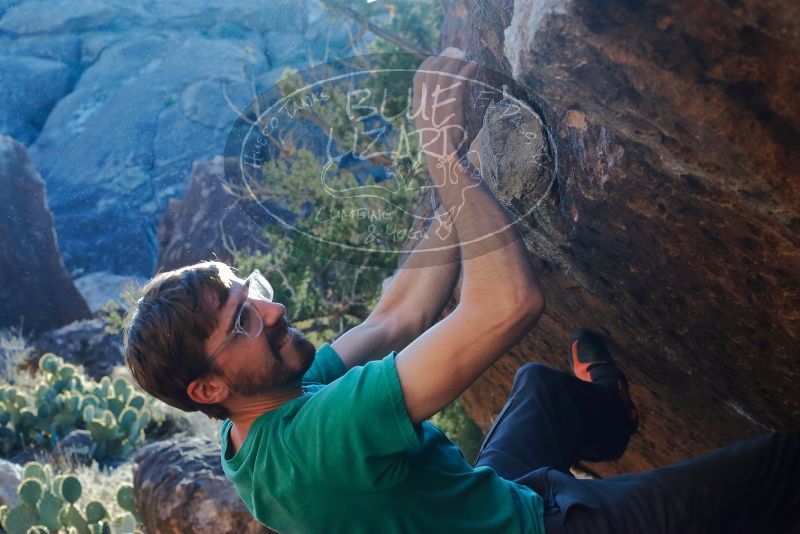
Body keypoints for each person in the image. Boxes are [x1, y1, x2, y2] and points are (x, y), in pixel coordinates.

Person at [123, 52, 800, 533]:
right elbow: (507, 305)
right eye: (243, 321)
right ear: (207, 390)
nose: (272, 312)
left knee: (539, 387)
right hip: (542, 527)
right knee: (781, 467)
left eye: (255, 293)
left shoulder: (257, 427)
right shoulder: (322, 439)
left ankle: (612, 415)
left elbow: (397, 315)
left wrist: (463, 175)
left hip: (481, 503)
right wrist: (442, 158)